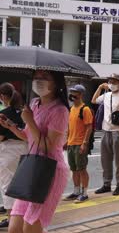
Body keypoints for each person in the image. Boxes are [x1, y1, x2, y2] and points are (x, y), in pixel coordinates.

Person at [4, 71, 69, 233]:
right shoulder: (33, 103)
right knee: (14, 228)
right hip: (32, 168)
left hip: (49, 171)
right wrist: (11, 126)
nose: (38, 81)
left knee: (30, 227)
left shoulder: (60, 111)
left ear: (56, 83)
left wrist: (30, 121)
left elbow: (47, 146)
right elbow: (28, 137)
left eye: (44, 78)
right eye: (36, 77)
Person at [92, 73, 119, 196]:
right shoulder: (106, 95)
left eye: (114, 82)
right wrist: (99, 88)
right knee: (105, 159)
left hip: (116, 132)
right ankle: (106, 184)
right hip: (105, 130)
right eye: (110, 81)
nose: (112, 84)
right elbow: (93, 100)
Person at [0, 83, 27, 228]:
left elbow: (1, 137)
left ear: (3, 96)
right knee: (21, 184)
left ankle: (12, 219)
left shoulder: (5, 113)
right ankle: (22, 217)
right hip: (25, 149)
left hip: (8, 151)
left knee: (7, 185)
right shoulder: (24, 111)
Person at [64, 85, 92, 204]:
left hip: (80, 143)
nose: (72, 95)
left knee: (82, 169)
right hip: (71, 143)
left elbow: (89, 127)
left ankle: (84, 193)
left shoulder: (85, 109)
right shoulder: (71, 109)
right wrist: (66, 140)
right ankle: (76, 191)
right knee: (74, 169)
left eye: (74, 93)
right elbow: (70, 127)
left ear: (80, 94)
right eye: (71, 92)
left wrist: (84, 143)